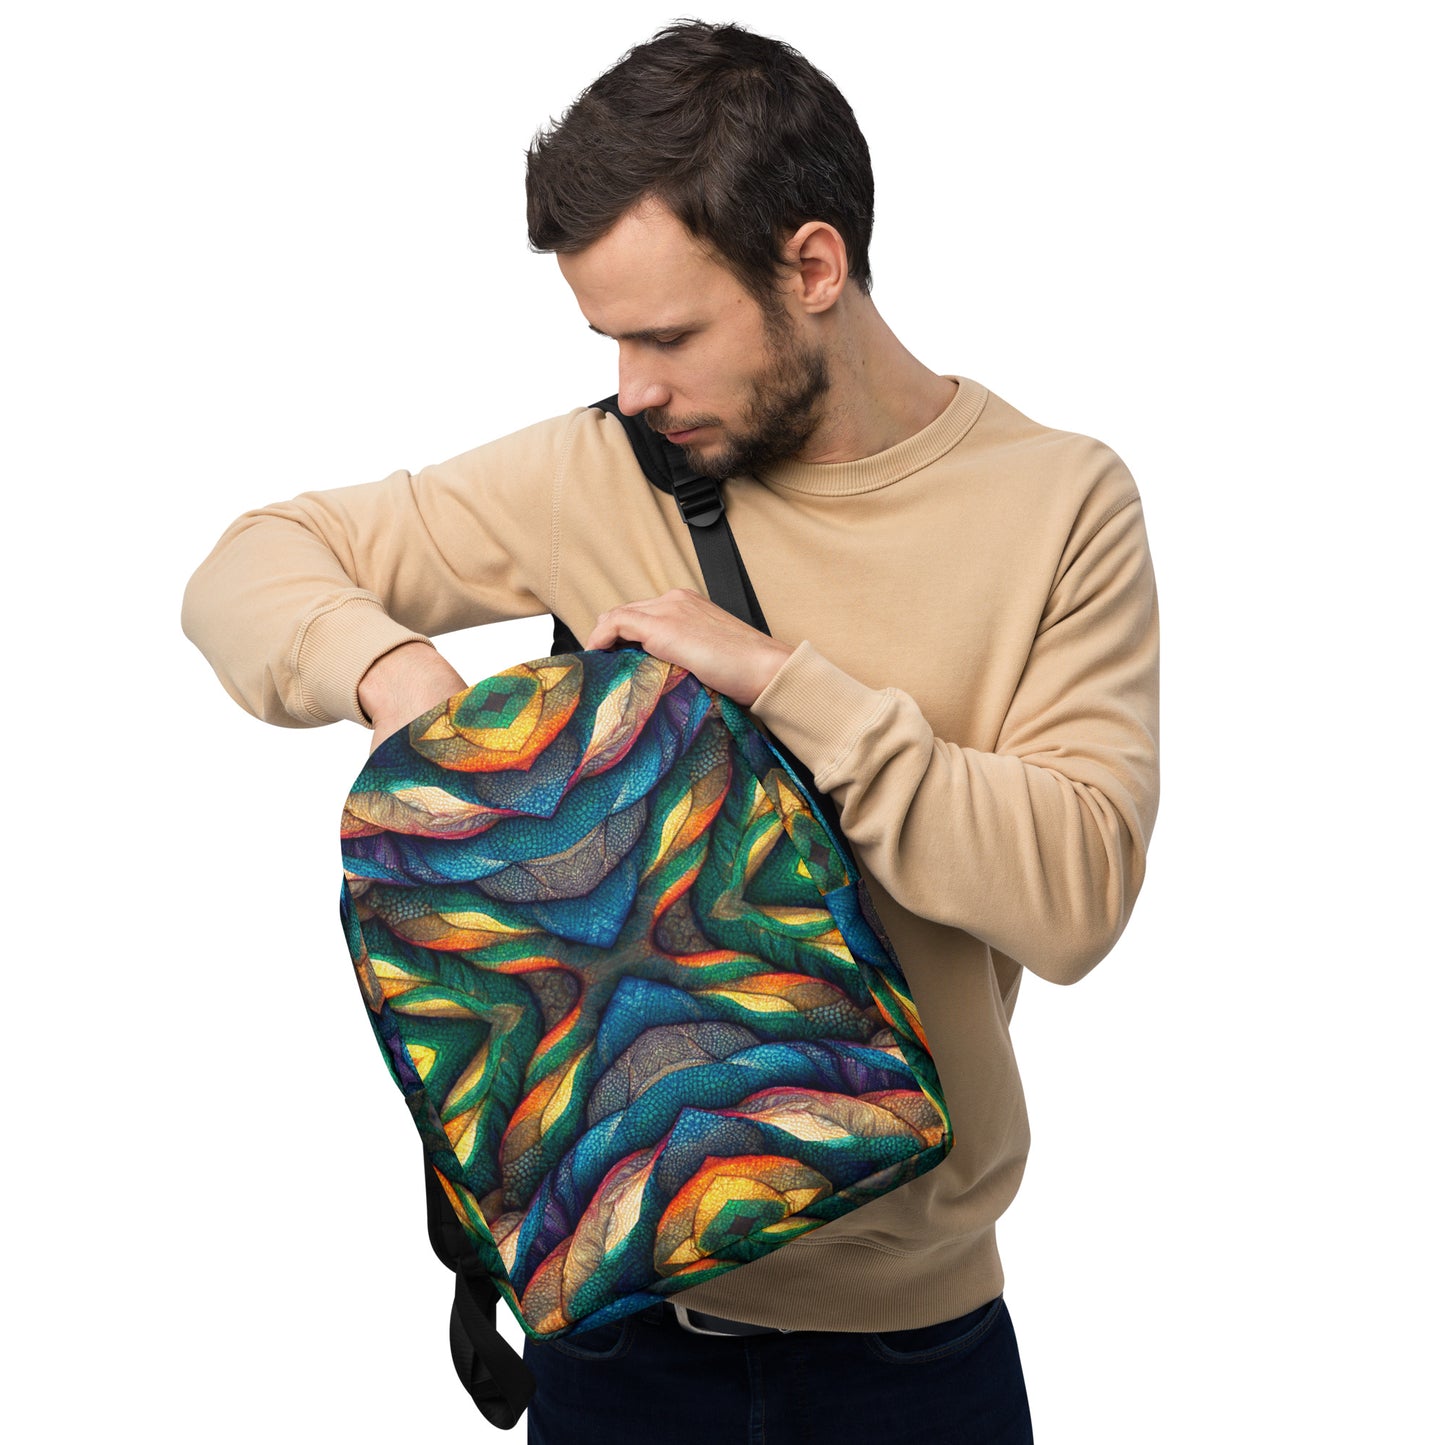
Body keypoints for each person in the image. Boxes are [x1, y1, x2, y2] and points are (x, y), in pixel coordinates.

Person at [181, 20, 1159, 1445]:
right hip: (617, 1339)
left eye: (669, 335)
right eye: (611, 341)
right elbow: (246, 566)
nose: (634, 385)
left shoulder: (1058, 501)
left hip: (915, 1352)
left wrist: (778, 682)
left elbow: (1073, 896)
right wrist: (404, 687)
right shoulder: (604, 467)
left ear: (811, 267)